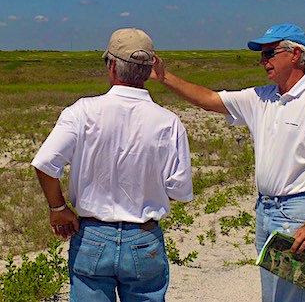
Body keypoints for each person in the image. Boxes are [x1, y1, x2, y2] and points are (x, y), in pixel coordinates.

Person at [151, 22, 305, 302]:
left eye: (270, 54)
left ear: (295, 54)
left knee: (288, 297)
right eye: (262, 55)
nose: (263, 61)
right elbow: (210, 100)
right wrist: (164, 77)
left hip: (296, 211)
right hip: (265, 209)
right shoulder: (262, 97)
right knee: (273, 294)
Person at [31, 28, 193, 302]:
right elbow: (178, 191)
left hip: (93, 235)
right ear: (150, 69)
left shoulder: (81, 111)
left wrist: (58, 209)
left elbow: (45, 163)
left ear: (113, 66)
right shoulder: (169, 122)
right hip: (144, 239)